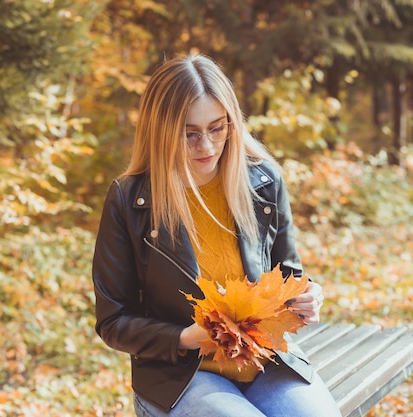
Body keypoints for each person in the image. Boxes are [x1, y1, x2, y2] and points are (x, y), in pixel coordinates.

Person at [92, 54, 341, 417]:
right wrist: (184, 338)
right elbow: (113, 320)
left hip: (264, 360)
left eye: (217, 128)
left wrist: (307, 296)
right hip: (181, 375)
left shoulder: (263, 182)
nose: (206, 147)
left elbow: (287, 276)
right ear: (160, 130)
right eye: (189, 133)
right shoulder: (130, 200)